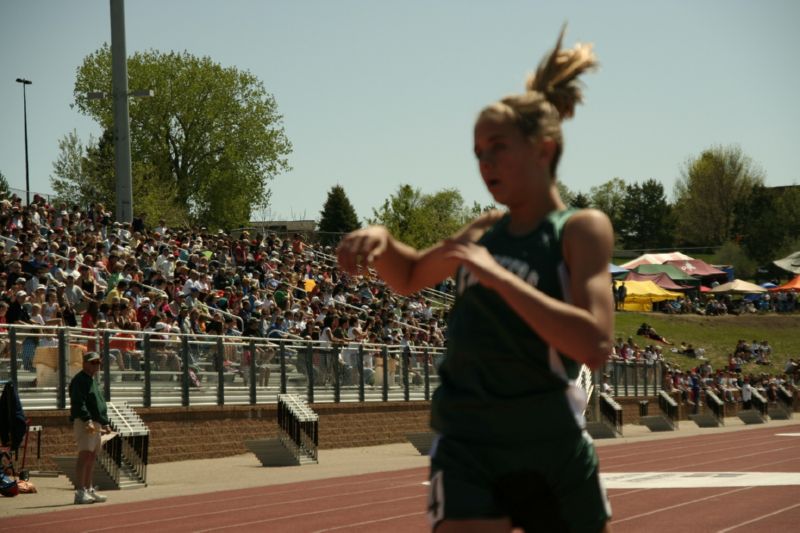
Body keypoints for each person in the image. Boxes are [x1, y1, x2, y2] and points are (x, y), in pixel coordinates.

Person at [337, 27, 612, 533]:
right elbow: (412, 275)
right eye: (478, 153)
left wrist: (502, 279)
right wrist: (381, 239)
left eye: (497, 148)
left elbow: (594, 344)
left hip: (549, 443)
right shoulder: (484, 230)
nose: (485, 164)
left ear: (543, 150)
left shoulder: (579, 230)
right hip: (468, 444)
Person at [68, 351, 111, 504]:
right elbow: (79, 402)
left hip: (95, 422)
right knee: (84, 455)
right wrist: (87, 420)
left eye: (98, 362)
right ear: (85, 363)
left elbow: (98, 403)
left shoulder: (92, 380)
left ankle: (89, 488)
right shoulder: (80, 380)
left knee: (92, 456)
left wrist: (104, 422)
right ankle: (80, 492)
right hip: (85, 422)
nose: (97, 365)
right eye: (93, 362)